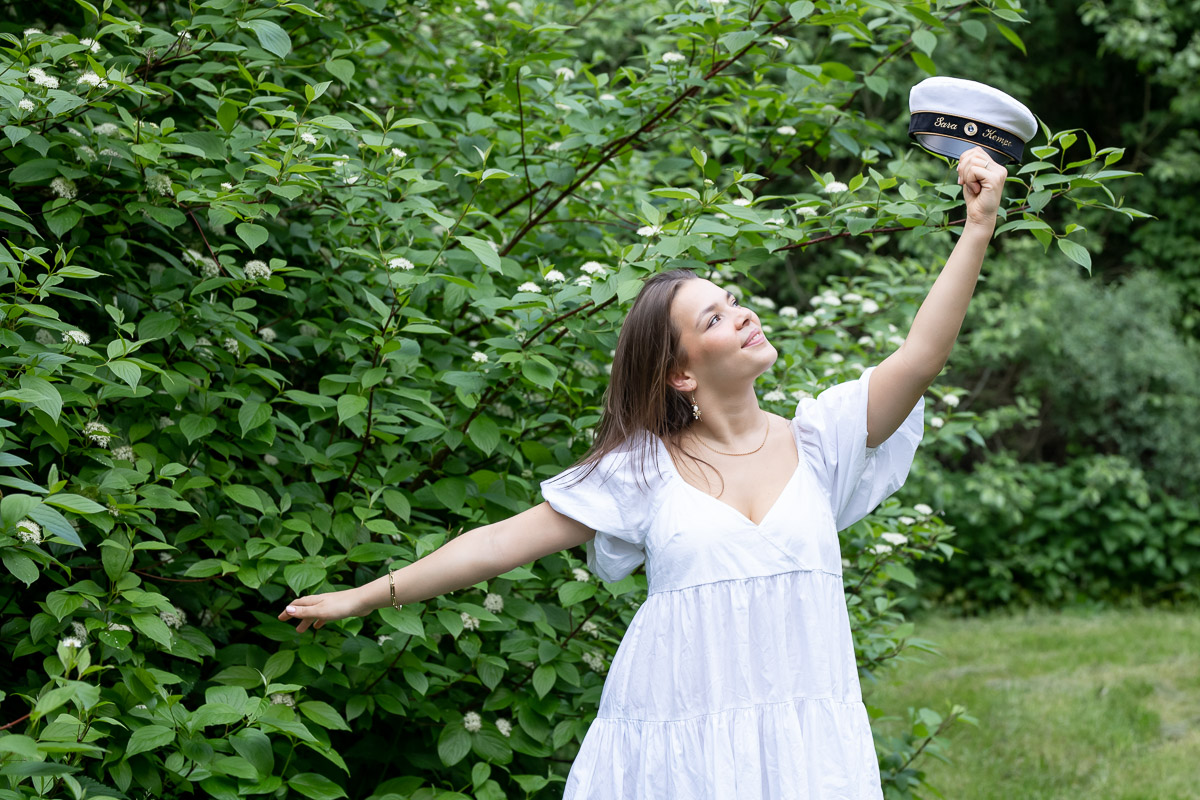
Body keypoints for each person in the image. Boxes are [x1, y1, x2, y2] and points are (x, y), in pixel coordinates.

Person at [278, 146, 1007, 798]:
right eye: (716, 319)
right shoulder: (641, 472)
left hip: (805, 749)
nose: (744, 315)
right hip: (677, 745)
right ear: (682, 374)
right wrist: (365, 596)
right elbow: (498, 543)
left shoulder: (824, 440)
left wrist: (976, 227)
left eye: (734, 302)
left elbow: (921, 355)